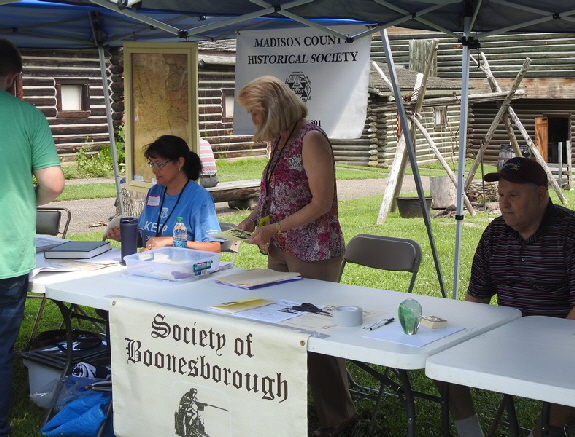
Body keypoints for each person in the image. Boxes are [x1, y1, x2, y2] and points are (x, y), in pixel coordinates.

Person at [236, 76, 357, 437]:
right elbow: (273, 193)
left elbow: (321, 203)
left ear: (273, 109)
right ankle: (288, 412)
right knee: (279, 330)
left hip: (314, 249)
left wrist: (273, 228)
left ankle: (340, 419)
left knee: (314, 335)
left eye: (255, 113)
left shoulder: (312, 139)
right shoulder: (280, 139)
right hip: (282, 248)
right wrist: (253, 218)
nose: (253, 121)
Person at [446, 157, 575, 437]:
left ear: (541, 194)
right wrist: (454, 336)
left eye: (513, 195)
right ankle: (470, 432)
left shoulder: (570, 232)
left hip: (561, 341)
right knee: (441, 356)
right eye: (501, 194)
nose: (504, 203)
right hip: (507, 338)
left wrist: (554, 351)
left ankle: (546, 430)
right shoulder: (495, 234)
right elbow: (476, 299)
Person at [0, 39, 65, 437]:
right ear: (11, 77)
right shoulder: (27, 116)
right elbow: (53, 184)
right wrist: (29, 197)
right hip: (8, 254)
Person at [105, 135, 221, 252]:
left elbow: (214, 247)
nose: (154, 170)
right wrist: (124, 236)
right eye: (152, 164)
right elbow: (146, 238)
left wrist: (170, 241)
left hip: (182, 267)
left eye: (159, 164)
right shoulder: (154, 192)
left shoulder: (199, 198)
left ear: (180, 162)